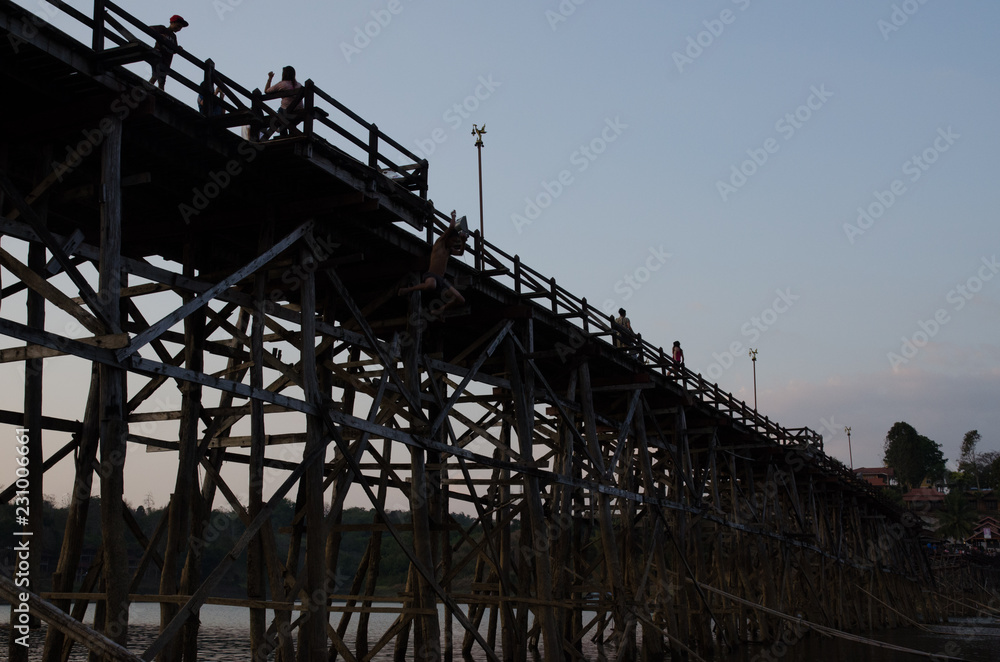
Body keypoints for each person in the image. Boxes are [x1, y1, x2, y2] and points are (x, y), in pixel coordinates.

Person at [398, 211, 468, 313]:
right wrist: (453, 216)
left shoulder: (449, 250)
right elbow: (452, 227)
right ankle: (408, 290)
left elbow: (460, 253)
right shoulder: (439, 243)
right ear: (447, 239)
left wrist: (464, 242)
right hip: (431, 275)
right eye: (453, 241)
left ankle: (439, 310)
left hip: (442, 280)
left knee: (461, 299)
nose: (453, 244)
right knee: (431, 285)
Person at [148, 15, 188, 90]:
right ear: (172, 23)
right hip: (158, 56)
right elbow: (150, 28)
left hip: (166, 60)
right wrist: (159, 35)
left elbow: (174, 50)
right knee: (155, 75)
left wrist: (178, 48)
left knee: (162, 81)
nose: (178, 29)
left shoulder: (173, 37)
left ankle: (160, 97)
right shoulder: (163, 29)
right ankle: (145, 90)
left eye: (180, 28)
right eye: (178, 26)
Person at [265, 66, 304, 137]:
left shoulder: (282, 84)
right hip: (298, 112)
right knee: (287, 121)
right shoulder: (299, 85)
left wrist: (270, 78)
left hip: (287, 112)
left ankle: (283, 136)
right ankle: (292, 135)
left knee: (280, 118)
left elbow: (267, 91)